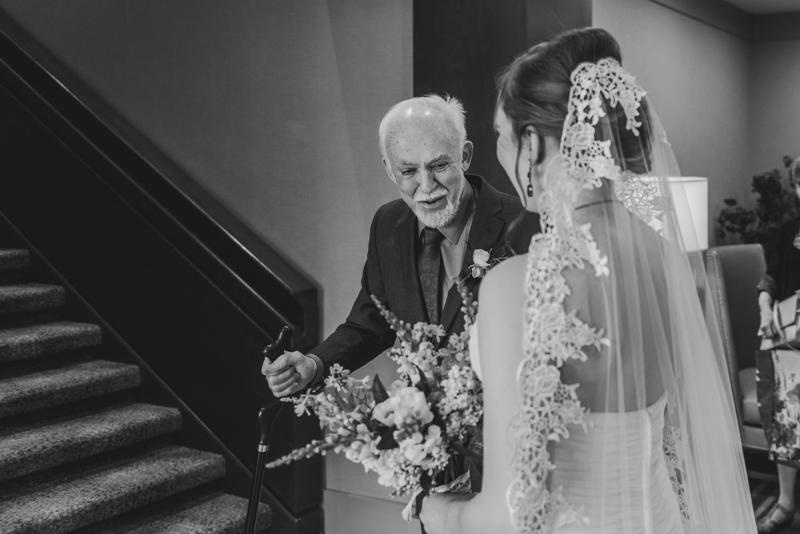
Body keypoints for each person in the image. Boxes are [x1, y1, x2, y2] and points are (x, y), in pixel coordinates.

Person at [420, 28, 756, 533]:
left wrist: (437, 511)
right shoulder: (674, 264)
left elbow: (508, 516)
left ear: (532, 144)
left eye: (502, 137)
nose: (503, 156)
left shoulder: (519, 283)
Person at [262, 95, 540, 397]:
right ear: (389, 170)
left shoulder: (528, 228)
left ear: (465, 156)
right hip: (424, 431)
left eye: (439, 165)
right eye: (408, 171)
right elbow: (371, 323)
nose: (427, 185)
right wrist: (316, 364)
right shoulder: (388, 224)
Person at [756, 155, 800, 534]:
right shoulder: (788, 230)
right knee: (788, 417)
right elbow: (770, 278)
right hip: (790, 338)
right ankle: (785, 503)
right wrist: (763, 304)